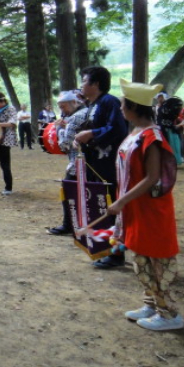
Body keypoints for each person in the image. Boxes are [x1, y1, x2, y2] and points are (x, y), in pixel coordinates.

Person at [109, 79, 182, 331]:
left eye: (122, 105)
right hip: (136, 207)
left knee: (157, 259)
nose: (120, 109)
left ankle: (169, 313)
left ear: (133, 107)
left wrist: (121, 200)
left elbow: (152, 178)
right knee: (141, 256)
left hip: (151, 209)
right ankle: (151, 303)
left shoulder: (152, 136)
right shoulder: (136, 133)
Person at [75, 66, 128, 268]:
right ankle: (103, 246)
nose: (81, 85)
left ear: (95, 84)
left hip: (108, 164)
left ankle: (116, 253)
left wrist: (93, 134)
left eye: (84, 80)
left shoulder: (109, 101)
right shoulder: (93, 104)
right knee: (100, 204)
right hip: (96, 163)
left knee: (111, 204)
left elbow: (117, 128)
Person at [47, 90, 89, 235]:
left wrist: (58, 129)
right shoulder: (86, 112)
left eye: (64, 107)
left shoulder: (75, 118)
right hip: (91, 163)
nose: (62, 110)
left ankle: (68, 225)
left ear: (74, 103)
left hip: (78, 163)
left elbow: (65, 145)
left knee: (68, 191)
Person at [155, 92, 184, 165]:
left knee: (169, 144)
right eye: (158, 97)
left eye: (161, 97)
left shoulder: (166, 106)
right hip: (165, 128)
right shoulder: (163, 106)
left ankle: (171, 160)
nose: (159, 99)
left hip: (167, 128)